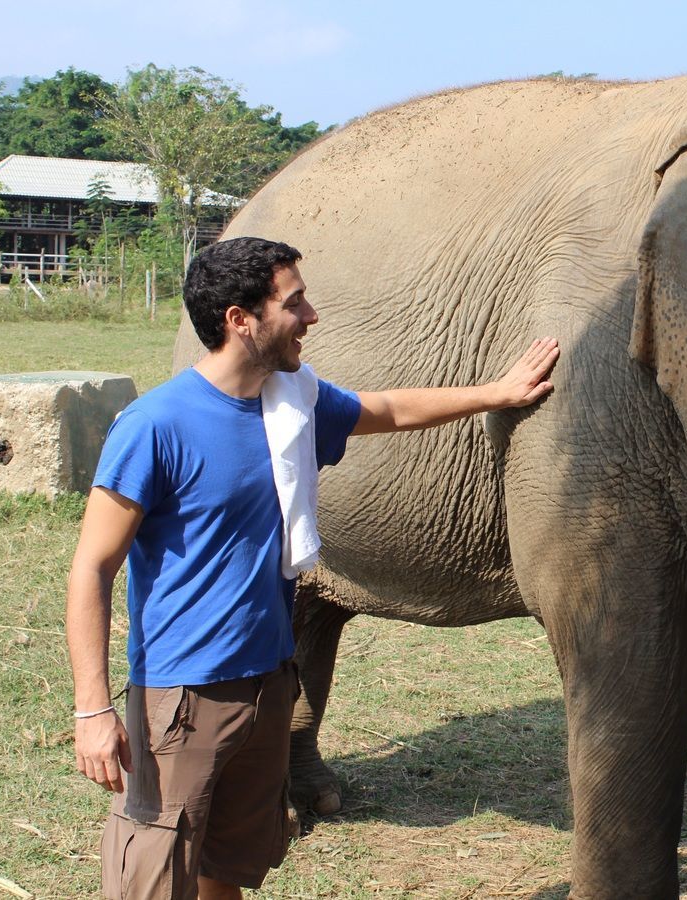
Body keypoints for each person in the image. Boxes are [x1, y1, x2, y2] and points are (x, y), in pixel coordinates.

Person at [66, 236, 560, 900]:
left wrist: (495, 393)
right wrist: (94, 710)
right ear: (241, 320)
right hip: (183, 698)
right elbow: (92, 568)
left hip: (270, 683)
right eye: (294, 302)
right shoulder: (156, 426)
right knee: (154, 876)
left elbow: (385, 410)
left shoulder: (291, 402)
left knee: (229, 867)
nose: (312, 316)